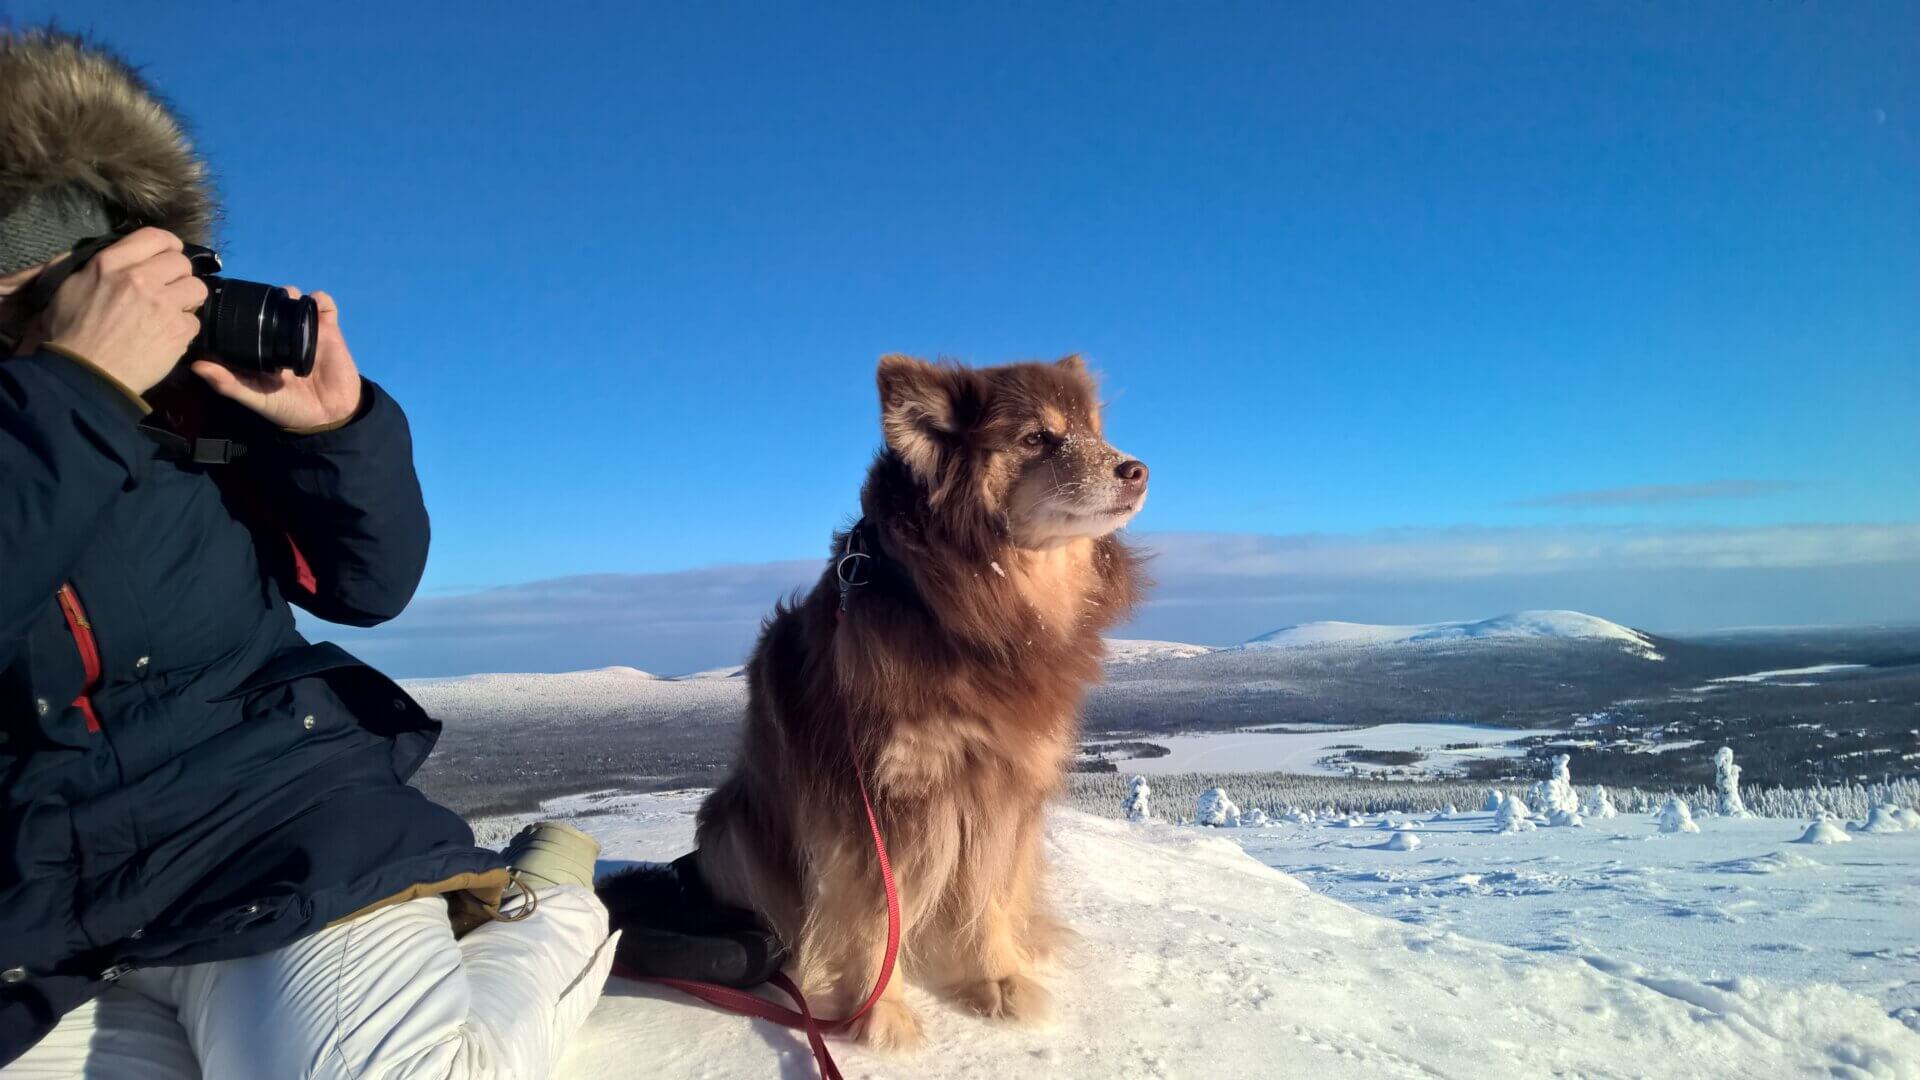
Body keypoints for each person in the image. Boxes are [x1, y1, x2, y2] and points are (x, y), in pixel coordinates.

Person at [0, 30, 619, 1078]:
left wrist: (336, 433)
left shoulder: (181, 406)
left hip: (268, 825)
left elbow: (369, 587)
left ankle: (545, 898)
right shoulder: (79, 404)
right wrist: (73, 389)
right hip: (38, 903)